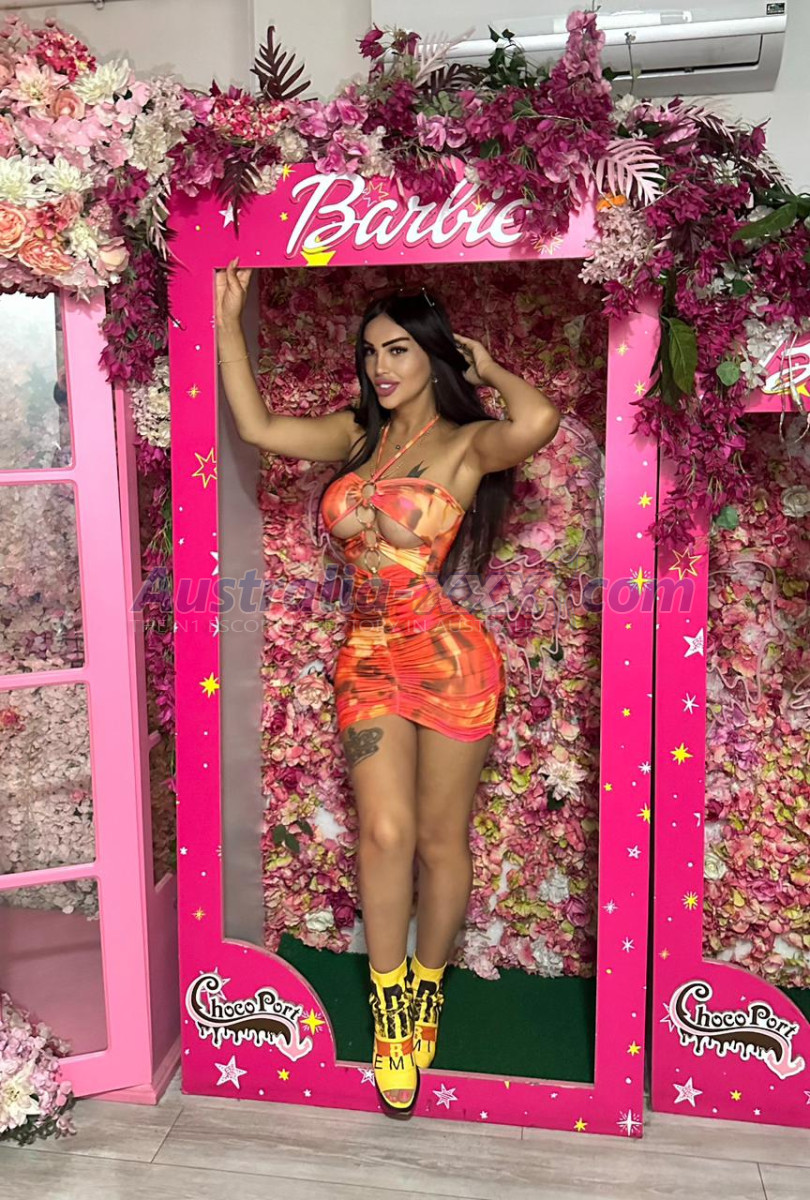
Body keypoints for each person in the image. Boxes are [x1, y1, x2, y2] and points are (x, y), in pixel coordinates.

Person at [215, 260, 561, 1118]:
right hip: (368, 652)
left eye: (399, 349)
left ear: (433, 355)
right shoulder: (355, 437)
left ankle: (427, 989)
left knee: (439, 841)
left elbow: (539, 421)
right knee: (385, 832)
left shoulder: (466, 443)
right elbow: (257, 425)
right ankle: (389, 1004)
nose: (381, 366)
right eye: (370, 352)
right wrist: (225, 321)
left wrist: (488, 369)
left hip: (449, 657)